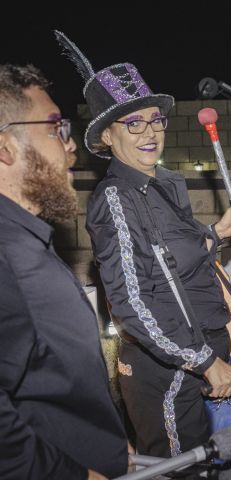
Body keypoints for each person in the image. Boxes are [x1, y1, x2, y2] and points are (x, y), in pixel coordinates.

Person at [55, 32, 231, 458]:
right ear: (106, 136)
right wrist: (203, 361)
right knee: (180, 469)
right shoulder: (115, 198)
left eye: (155, 120)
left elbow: (173, 254)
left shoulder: (163, 183)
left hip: (201, 354)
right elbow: (132, 301)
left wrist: (217, 232)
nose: (151, 132)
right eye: (134, 123)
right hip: (167, 373)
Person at [0, 64, 128, 479]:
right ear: (5, 147)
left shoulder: (26, 237)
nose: (71, 147)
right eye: (56, 129)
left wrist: (109, 438)